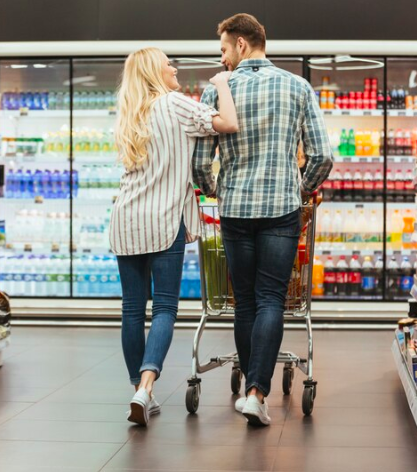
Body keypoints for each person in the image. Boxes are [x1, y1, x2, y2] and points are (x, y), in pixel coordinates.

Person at [193, 14, 334, 426]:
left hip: (235, 211)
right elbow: (323, 156)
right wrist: (302, 189)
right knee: (273, 298)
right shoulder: (297, 86)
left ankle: (252, 389)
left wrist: (217, 189)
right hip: (281, 210)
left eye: (223, 49)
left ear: (240, 44)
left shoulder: (217, 90)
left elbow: (201, 164)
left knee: (246, 302)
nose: (223, 59)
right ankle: (257, 392)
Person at [110, 47, 239, 426]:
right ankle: (146, 387)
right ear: (155, 71)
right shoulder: (176, 104)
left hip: (126, 219)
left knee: (132, 309)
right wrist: (222, 84)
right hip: (164, 220)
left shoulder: (130, 112)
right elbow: (229, 123)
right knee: (165, 307)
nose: (175, 68)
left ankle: (138, 388)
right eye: (169, 63)